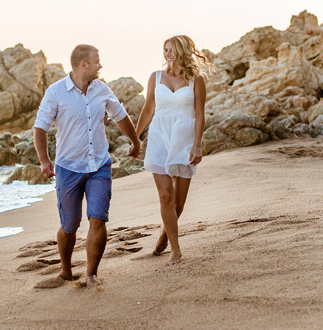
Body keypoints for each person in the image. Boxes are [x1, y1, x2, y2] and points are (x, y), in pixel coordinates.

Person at [34, 45, 141, 289]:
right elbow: (40, 127)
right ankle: (65, 268)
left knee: (98, 220)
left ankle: (91, 274)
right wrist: (44, 160)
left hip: (98, 166)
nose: (100, 66)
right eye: (97, 62)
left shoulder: (101, 89)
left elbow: (120, 115)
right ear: (84, 64)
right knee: (69, 226)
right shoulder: (56, 92)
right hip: (68, 168)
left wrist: (135, 142)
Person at [135, 35, 210, 266]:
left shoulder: (196, 79)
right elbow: (148, 109)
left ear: (183, 51)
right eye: (165, 49)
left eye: (172, 49)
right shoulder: (155, 77)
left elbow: (199, 114)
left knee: (178, 203)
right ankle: (175, 251)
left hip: (184, 138)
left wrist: (197, 144)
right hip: (159, 136)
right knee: (165, 195)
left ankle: (166, 231)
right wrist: (135, 138)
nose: (167, 53)